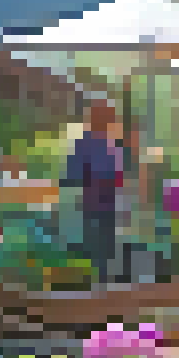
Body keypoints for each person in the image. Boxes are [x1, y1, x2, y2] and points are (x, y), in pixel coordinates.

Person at [63, 103, 125, 285]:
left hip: (98, 204)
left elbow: (72, 175)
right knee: (100, 252)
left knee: (98, 251)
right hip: (101, 204)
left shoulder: (94, 143)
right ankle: (100, 286)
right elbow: (73, 175)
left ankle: (97, 286)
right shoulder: (106, 144)